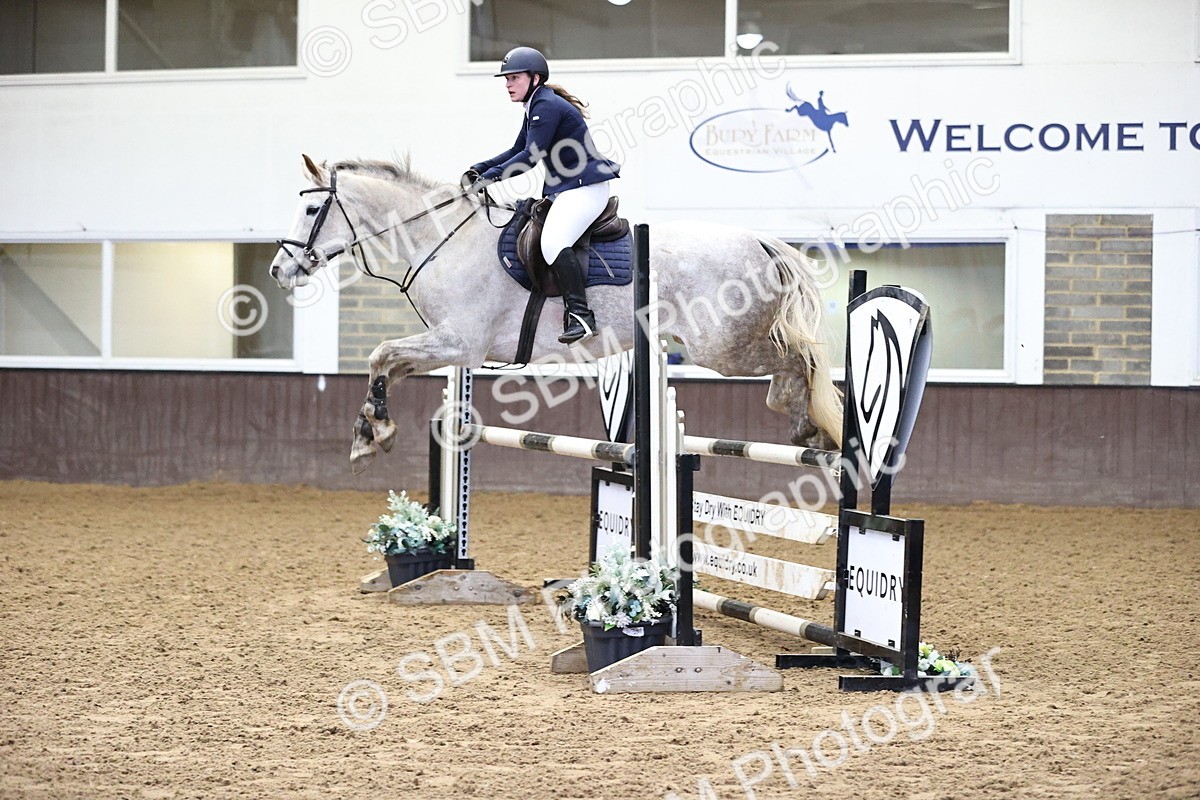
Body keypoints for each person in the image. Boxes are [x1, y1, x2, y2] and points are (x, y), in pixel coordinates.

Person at [464, 47, 620, 345]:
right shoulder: (537, 103)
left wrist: (490, 179)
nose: (508, 84)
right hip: (570, 187)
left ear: (535, 78)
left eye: (514, 78)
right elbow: (516, 150)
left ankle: (581, 315)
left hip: (585, 188)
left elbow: (530, 157)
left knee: (553, 243)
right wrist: (479, 169)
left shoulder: (545, 106)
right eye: (506, 79)